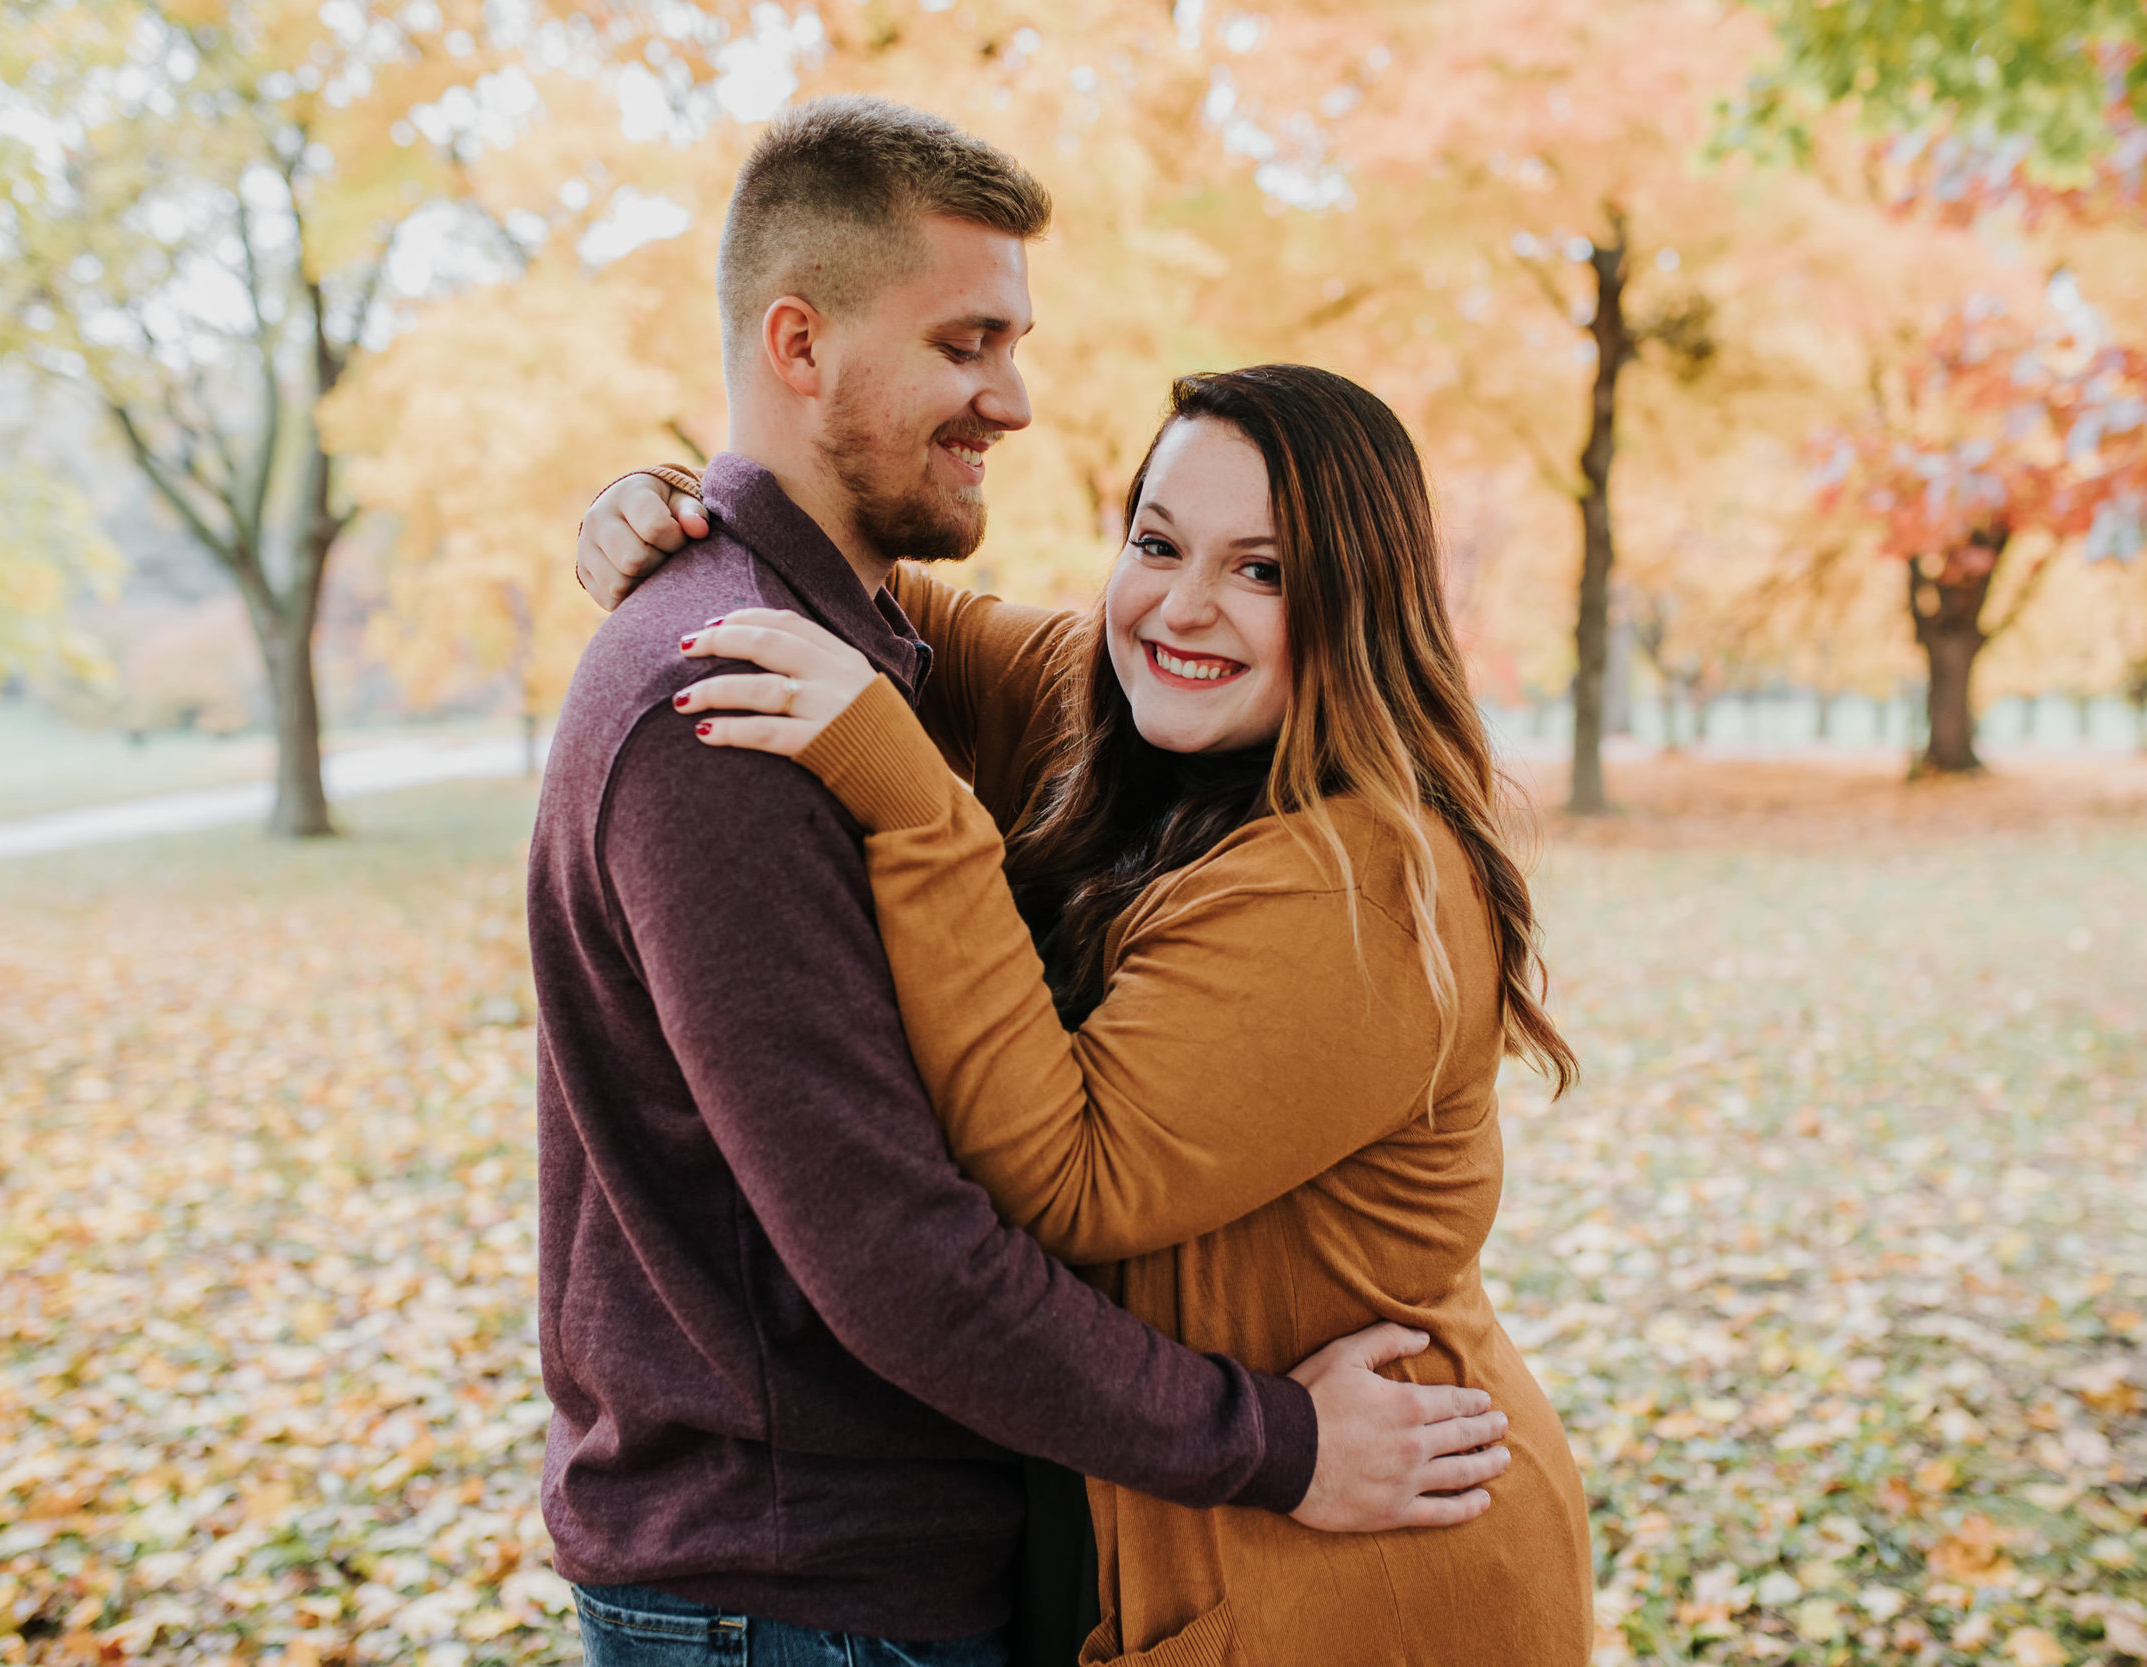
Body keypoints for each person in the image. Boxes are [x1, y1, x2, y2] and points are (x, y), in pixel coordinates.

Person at [533, 99, 1512, 1667]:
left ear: (1358, 601)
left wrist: (1286, 1448)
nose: (1017, 400)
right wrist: (660, 501)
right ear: (799, 347)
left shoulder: (1339, 868)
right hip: (803, 1593)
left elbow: (1056, 1178)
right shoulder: (738, 697)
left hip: (1354, 1553)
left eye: (1265, 568)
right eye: (968, 343)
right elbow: (906, 1257)